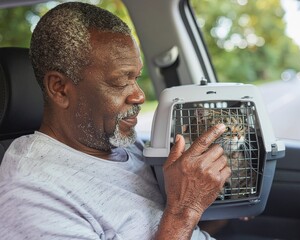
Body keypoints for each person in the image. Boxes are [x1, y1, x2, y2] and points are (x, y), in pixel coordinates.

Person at [0, 2, 231, 239]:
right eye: (121, 81)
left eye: (136, 78)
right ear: (59, 89)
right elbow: (180, 218)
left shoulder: (125, 144)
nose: (139, 95)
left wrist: (218, 201)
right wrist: (185, 210)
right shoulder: (31, 192)